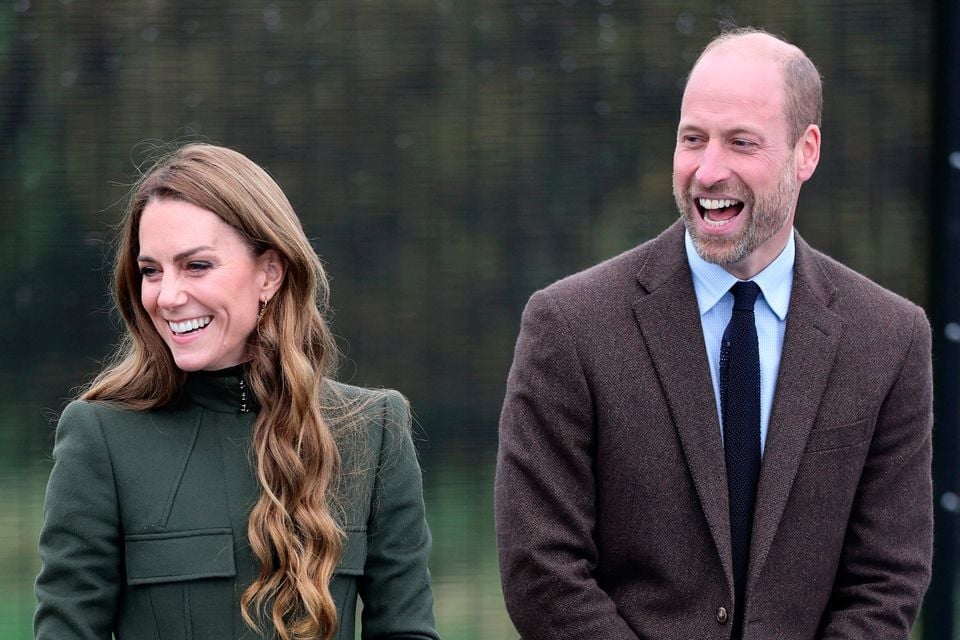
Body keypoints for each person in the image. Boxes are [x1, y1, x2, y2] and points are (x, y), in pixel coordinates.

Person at [495, 27, 933, 639]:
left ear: (806, 152)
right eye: (692, 139)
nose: (708, 170)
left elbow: (886, 578)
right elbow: (540, 568)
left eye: (741, 143)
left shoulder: (889, 338)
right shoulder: (570, 326)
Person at [35, 143, 441, 640]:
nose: (167, 296)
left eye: (197, 266)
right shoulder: (101, 436)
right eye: (151, 270)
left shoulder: (373, 430)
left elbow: (408, 630)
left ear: (269, 272)